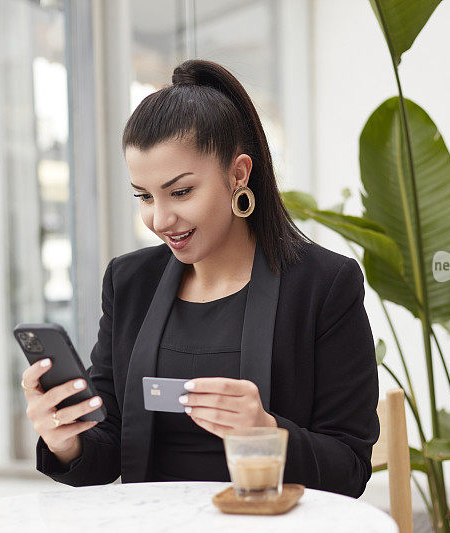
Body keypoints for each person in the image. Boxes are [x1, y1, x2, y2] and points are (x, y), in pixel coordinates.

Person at [21, 59, 379, 498]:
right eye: (144, 196)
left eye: (181, 191)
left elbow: (350, 469)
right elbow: (107, 447)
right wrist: (65, 441)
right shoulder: (129, 281)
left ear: (238, 174)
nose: (160, 218)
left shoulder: (324, 285)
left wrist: (267, 433)